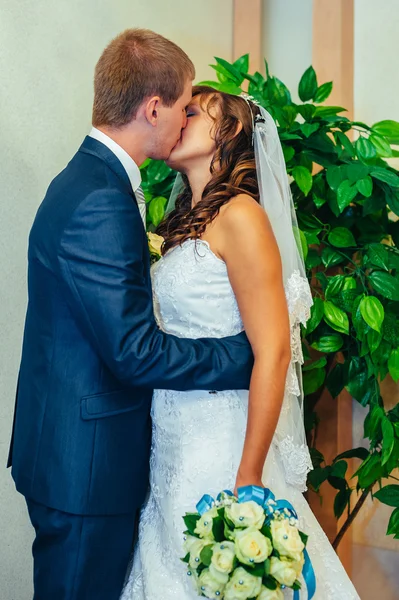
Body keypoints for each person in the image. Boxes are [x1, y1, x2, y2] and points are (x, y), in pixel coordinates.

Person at [7, 33, 254, 600]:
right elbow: (135, 350)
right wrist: (241, 353)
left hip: (77, 449)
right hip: (84, 467)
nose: (189, 115)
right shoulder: (101, 196)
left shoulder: (91, 179)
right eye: (186, 104)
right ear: (152, 109)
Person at [122, 87, 361, 599]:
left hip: (222, 439)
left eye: (192, 112)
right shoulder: (184, 217)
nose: (178, 119)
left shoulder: (242, 215)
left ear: (227, 134)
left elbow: (273, 348)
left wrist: (249, 471)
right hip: (170, 439)